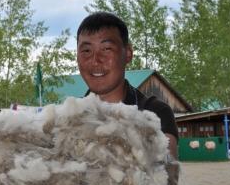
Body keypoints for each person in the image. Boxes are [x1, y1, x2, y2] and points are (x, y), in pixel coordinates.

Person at [76, 11, 179, 159]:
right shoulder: (70, 117)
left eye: (106, 49)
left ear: (128, 54)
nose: (95, 60)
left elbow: (166, 176)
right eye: (86, 50)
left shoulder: (155, 113)